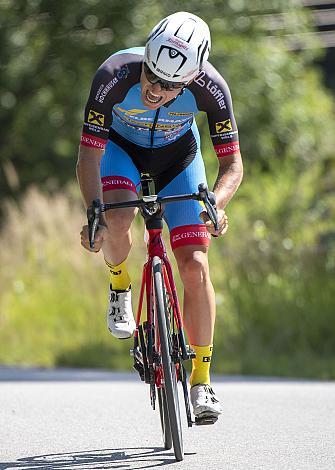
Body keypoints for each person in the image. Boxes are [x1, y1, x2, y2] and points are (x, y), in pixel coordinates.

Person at [77, 11, 243, 422]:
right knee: (116, 218)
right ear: (146, 59)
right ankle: (119, 287)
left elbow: (233, 166)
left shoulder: (213, 89)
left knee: (195, 265)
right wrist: (94, 211)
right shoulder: (114, 74)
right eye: (151, 76)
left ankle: (201, 381)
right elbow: (88, 155)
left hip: (179, 159)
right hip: (122, 152)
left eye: (170, 86)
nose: (154, 89)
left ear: (190, 80)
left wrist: (216, 205)